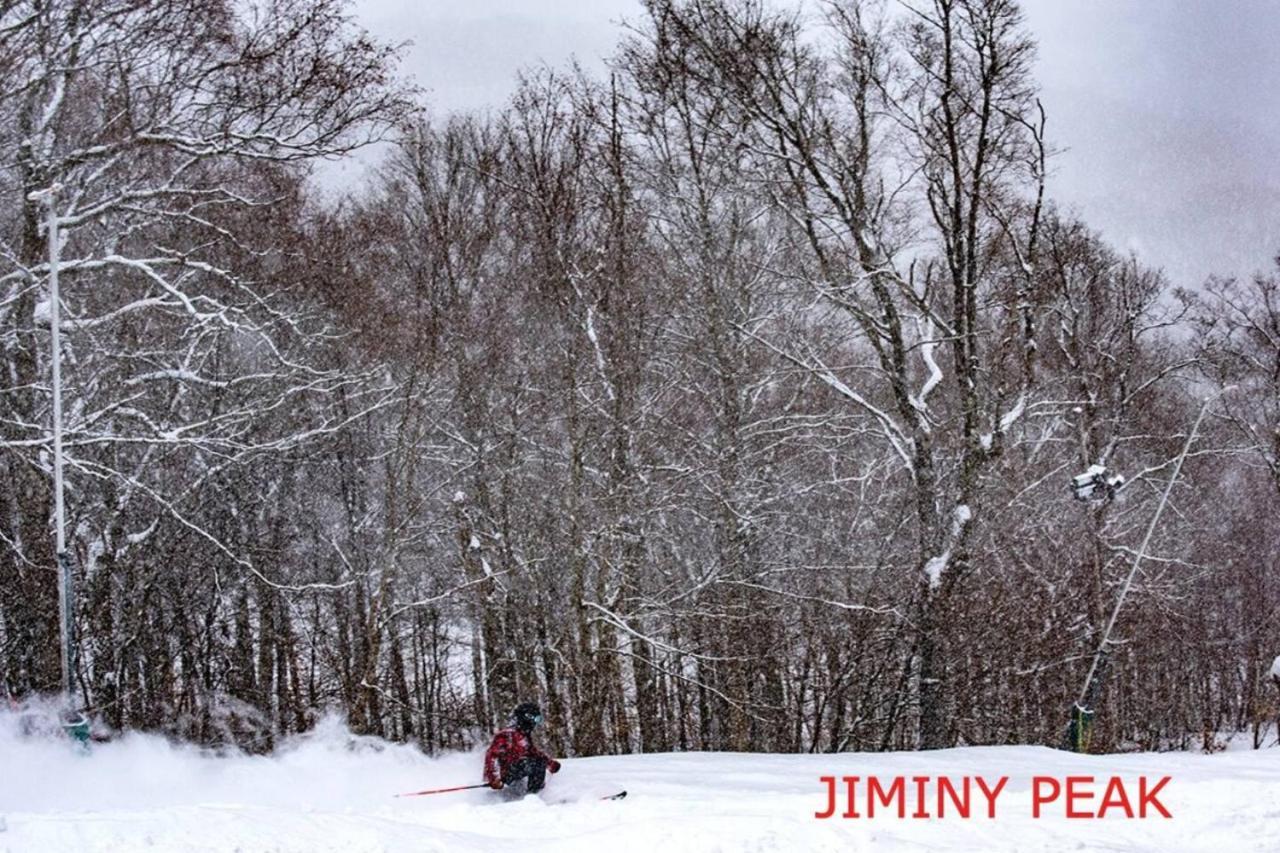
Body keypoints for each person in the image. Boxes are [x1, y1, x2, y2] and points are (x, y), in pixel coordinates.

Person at [483, 702, 561, 795]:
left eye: (538, 719)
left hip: (519, 769)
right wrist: (493, 777)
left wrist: (550, 763)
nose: (536, 723)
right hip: (507, 772)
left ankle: (536, 794)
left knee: (537, 763)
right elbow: (491, 756)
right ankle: (533, 796)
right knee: (536, 764)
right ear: (527, 718)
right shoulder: (507, 735)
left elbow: (534, 753)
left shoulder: (524, 736)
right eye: (535, 719)